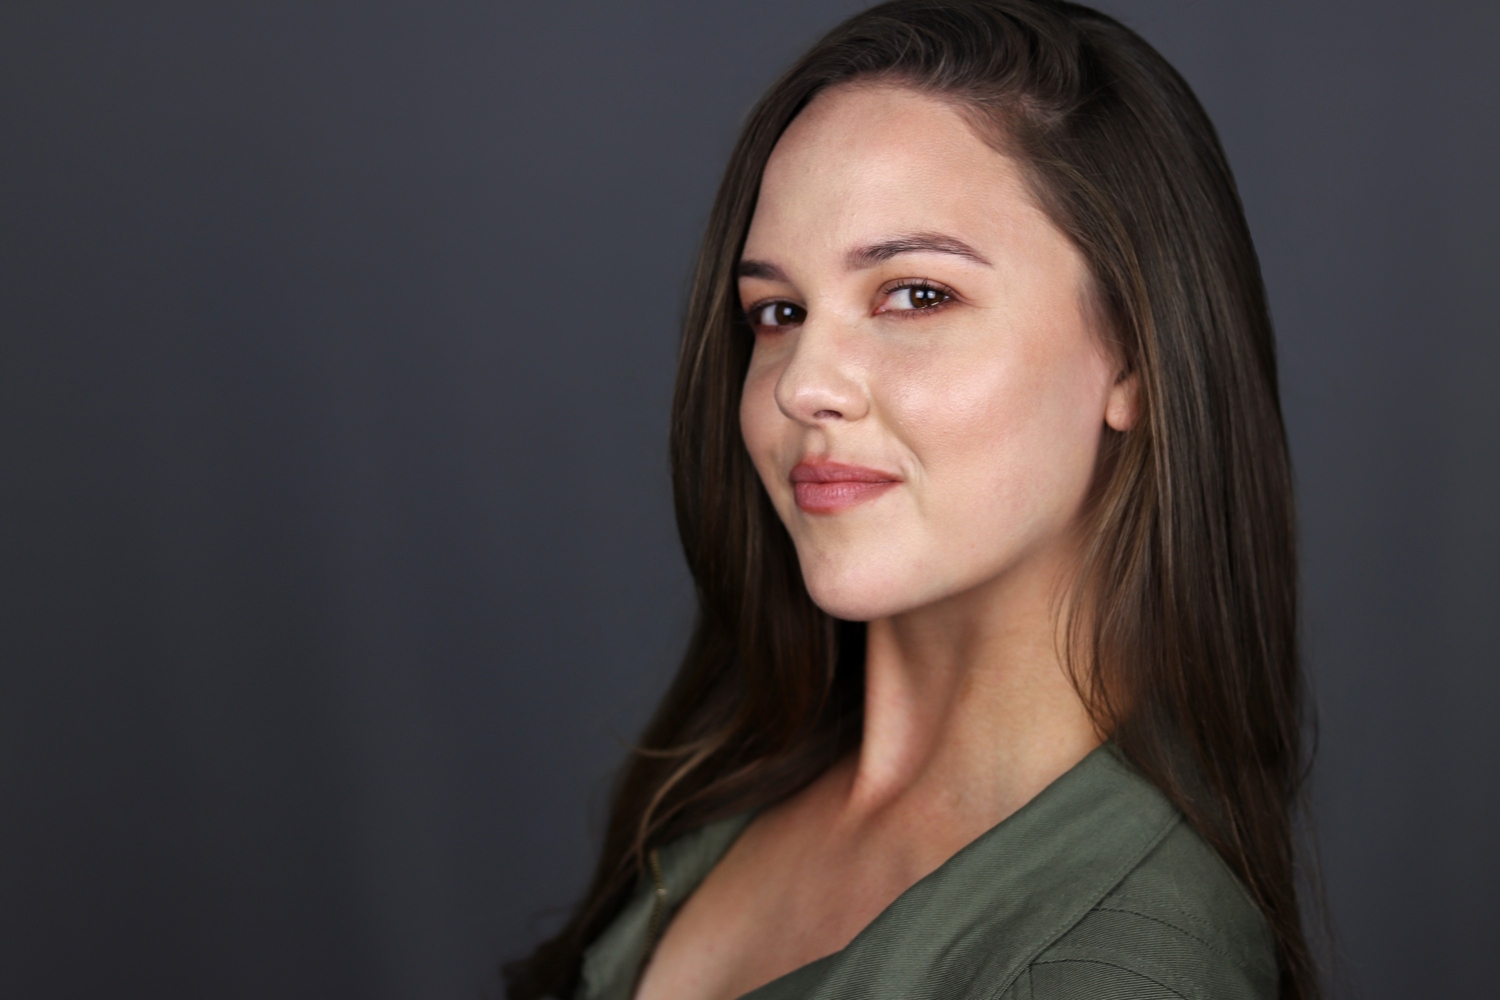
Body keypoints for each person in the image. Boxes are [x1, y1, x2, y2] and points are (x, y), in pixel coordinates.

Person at [507, 1, 1317, 997]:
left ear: (1134, 357)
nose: (804, 383)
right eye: (779, 311)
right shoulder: (721, 787)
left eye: (917, 294)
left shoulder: (1112, 968)